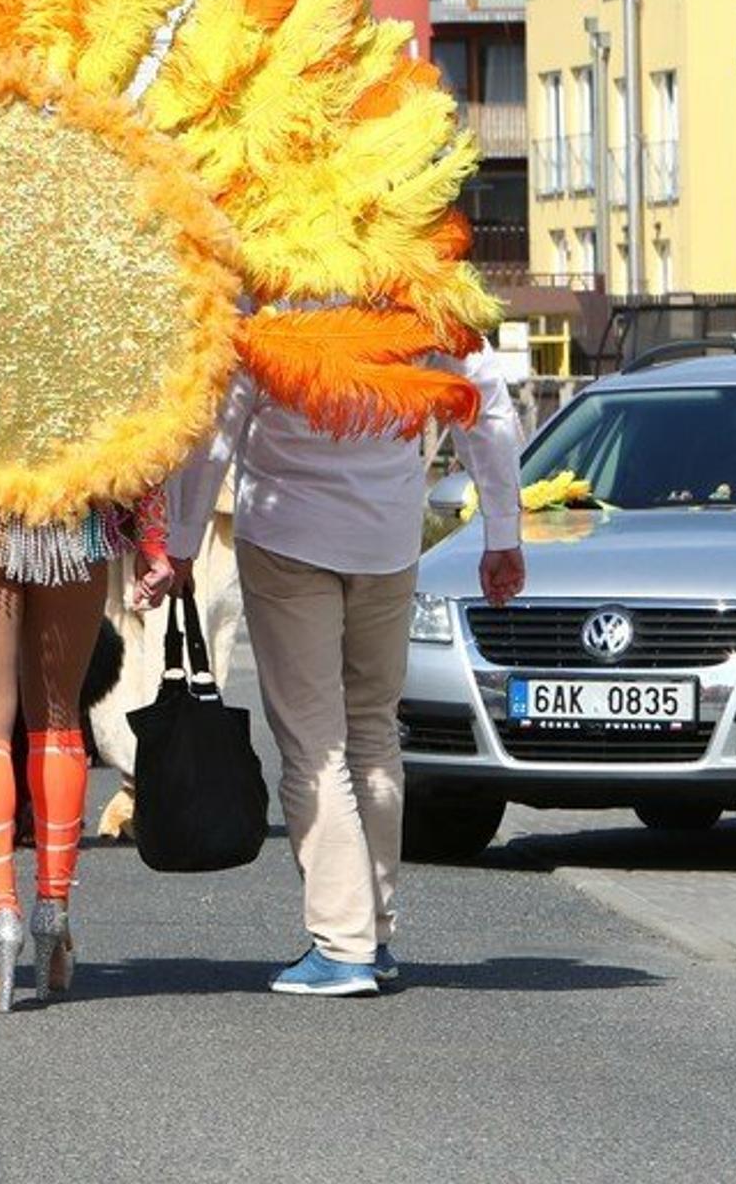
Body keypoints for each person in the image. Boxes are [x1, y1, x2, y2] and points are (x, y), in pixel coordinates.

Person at [171, 341, 524, 996]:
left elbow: (217, 413)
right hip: (386, 539)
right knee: (371, 731)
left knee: (314, 742)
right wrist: (500, 529)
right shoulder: (418, 282)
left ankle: (342, 944)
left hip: (286, 534)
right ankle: (375, 929)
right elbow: (485, 401)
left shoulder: (269, 284)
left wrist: (181, 539)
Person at [0, 487, 175, 1010]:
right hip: (71, 526)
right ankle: (54, 910)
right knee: (57, 721)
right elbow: (147, 422)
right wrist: (152, 539)